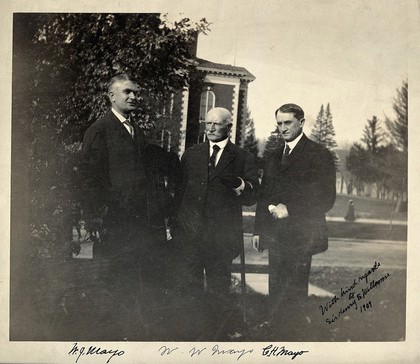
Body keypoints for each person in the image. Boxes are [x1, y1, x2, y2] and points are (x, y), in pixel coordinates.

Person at [81, 74, 177, 339]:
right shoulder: (100, 130)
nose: (134, 97)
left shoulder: (135, 129)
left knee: (137, 282)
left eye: (136, 92)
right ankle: (107, 343)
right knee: (114, 282)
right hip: (115, 224)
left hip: (140, 224)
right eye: (127, 92)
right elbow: (89, 179)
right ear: (111, 96)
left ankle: (130, 338)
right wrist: (96, 221)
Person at [170, 107, 259, 340]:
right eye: (207, 123)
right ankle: (190, 335)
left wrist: (240, 185)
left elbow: (252, 194)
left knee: (219, 290)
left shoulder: (242, 157)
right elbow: (180, 194)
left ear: (229, 127)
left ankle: (215, 337)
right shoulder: (191, 155)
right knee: (190, 287)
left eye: (216, 124)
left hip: (221, 239)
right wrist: (175, 227)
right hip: (190, 237)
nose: (209, 128)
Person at [253, 103, 336, 330]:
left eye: (287, 122)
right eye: (279, 123)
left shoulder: (319, 154)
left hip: (302, 233)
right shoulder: (273, 156)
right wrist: (258, 230)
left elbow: (326, 197)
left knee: (296, 284)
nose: (282, 128)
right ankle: (274, 325)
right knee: (276, 280)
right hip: (274, 232)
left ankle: (294, 330)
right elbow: (264, 194)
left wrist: (291, 209)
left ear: (301, 122)